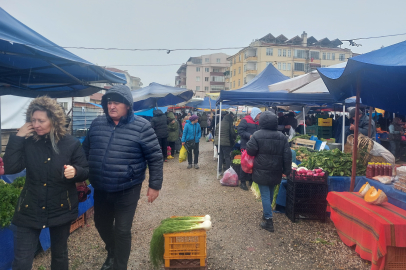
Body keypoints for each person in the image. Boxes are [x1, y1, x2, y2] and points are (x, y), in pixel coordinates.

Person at [82, 85, 163, 270]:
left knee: (122, 230)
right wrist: (81, 174)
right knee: (101, 224)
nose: (112, 106)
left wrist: (154, 185)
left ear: (127, 105)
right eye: (109, 102)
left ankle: (120, 266)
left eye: (116, 102)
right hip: (101, 187)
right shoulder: (97, 124)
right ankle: (112, 250)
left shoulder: (142, 126)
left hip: (128, 188)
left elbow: (155, 157)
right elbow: (85, 151)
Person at [4, 96, 89, 270]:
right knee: (21, 260)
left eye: (41, 120)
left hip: (61, 206)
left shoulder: (70, 143)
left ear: (54, 120)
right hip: (30, 207)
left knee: (59, 256)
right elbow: (11, 167)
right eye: (33, 120)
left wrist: (76, 172)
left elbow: (85, 169)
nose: (36, 125)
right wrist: (17, 137)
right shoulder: (28, 142)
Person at [246, 111, 292, 232]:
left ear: (261, 122)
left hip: (261, 169)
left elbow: (250, 151)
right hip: (276, 169)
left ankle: (268, 220)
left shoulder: (257, 135)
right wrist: (287, 171)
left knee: (265, 195)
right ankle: (267, 213)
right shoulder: (282, 136)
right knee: (270, 193)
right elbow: (288, 155)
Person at [237, 107, 261, 190]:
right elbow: (240, 131)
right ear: (255, 113)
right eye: (259, 114)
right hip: (246, 145)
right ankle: (242, 182)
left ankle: (251, 180)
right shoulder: (245, 120)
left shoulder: (259, 122)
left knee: (253, 164)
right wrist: (249, 135)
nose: (260, 115)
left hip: (255, 146)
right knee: (245, 163)